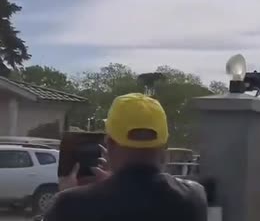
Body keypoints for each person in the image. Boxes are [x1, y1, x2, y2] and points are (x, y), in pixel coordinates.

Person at [43, 93, 208, 221]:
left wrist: (67, 195)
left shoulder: (70, 205)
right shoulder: (194, 197)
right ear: (164, 146)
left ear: (109, 144)